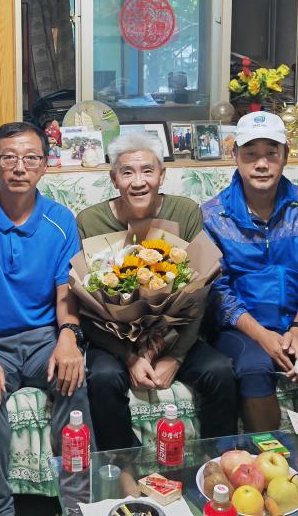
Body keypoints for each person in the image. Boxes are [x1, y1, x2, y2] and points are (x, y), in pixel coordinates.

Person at [0, 122, 90, 516]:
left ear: (44, 165)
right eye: (8, 157)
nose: (19, 167)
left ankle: (78, 502)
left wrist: (68, 339)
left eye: (30, 158)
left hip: (44, 337)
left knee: (74, 379)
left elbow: (66, 293)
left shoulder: (60, 219)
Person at [76, 131, 238, 450]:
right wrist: (129, 357)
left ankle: (217, 462)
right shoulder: (90, 221)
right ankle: (123, 466)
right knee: (104, 378)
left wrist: (175, 357)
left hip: (176, 335)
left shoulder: (184, 211)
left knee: (219, 371)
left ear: (162, 176)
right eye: (127, 172)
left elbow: (200, 289)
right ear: (114, 179)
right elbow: (86, 303)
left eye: (148, 171)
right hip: (115, 342)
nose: (138, 182)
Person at [202, 111, 298, 431]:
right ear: (235, 156)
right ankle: (269, 457)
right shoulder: (214, 215)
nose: (261, 164)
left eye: (271, 153)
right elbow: (217, 292)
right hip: (240, 328)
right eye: (250, 154)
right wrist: (262, 336)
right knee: (254, 369)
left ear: (285, 156)